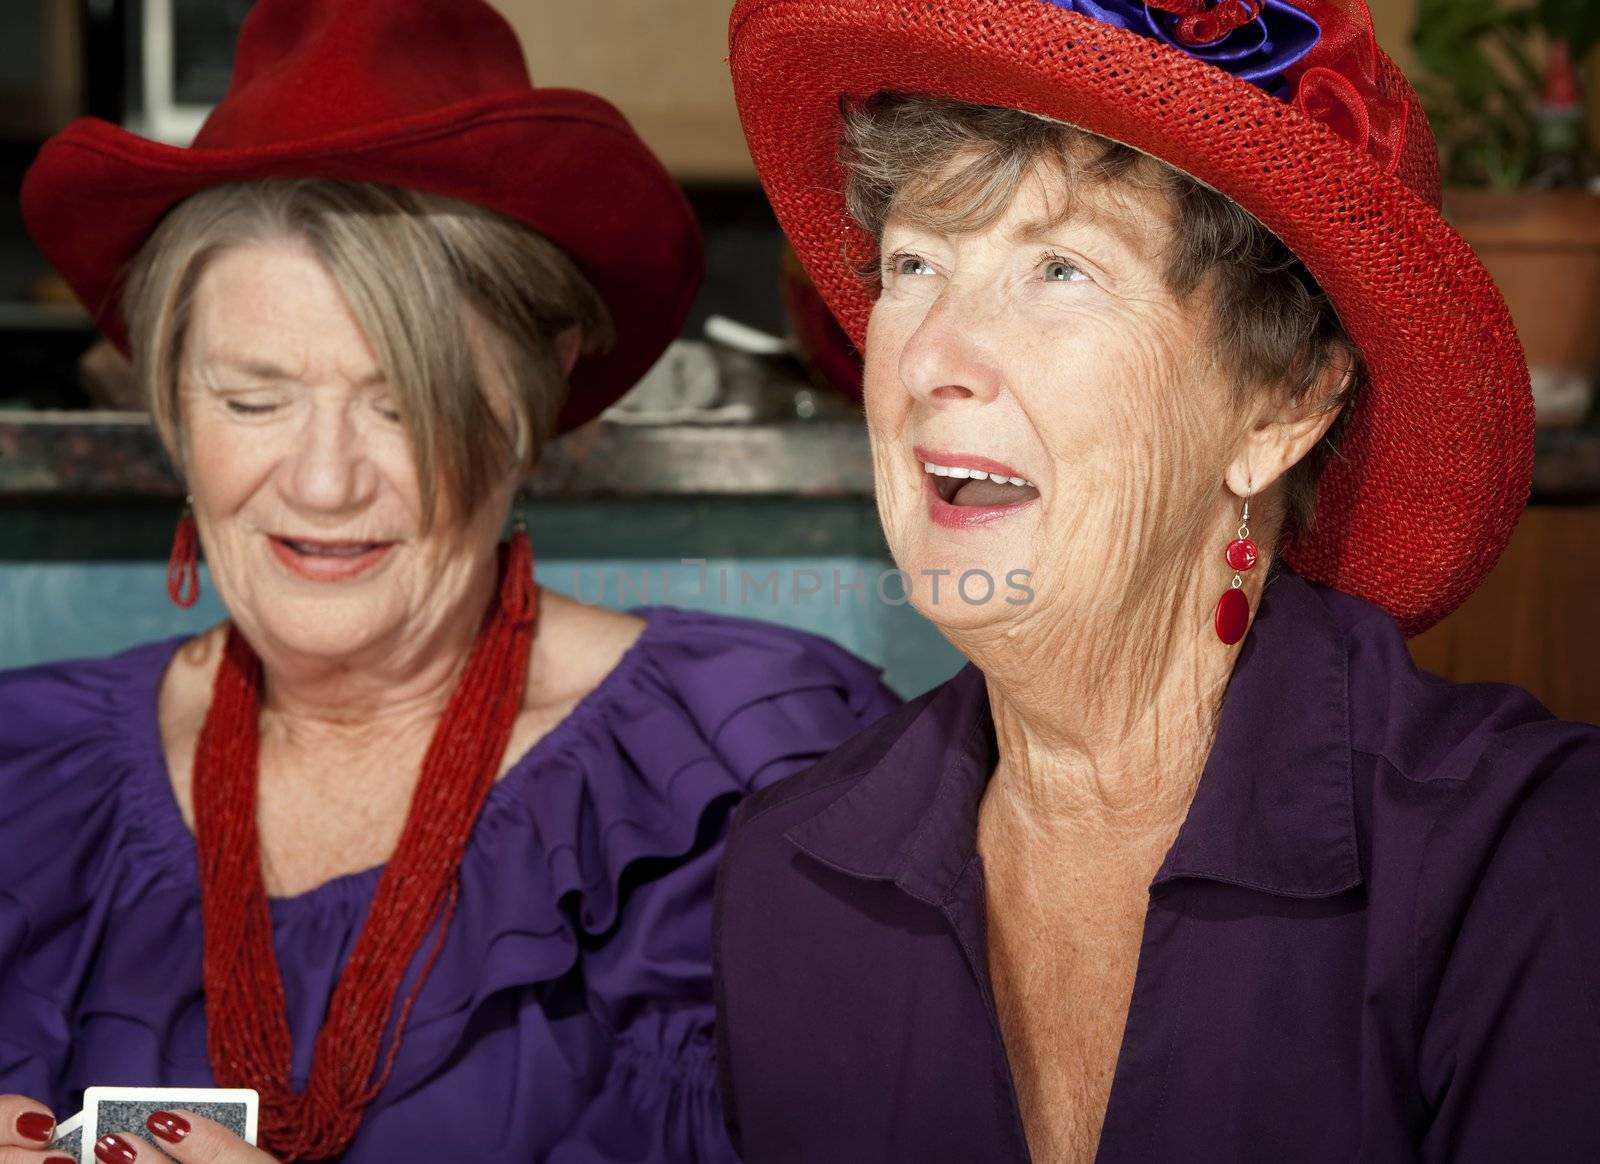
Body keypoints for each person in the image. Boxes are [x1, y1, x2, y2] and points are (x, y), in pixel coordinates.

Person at [0, 1, 898, 1160]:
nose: (322, 483)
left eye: (403, 403)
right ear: (171, 399)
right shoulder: (22, 775)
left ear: (536, 396)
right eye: (253, 399)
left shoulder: (748, 775)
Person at [715, 0, 1600, 1160]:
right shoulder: (792, 877)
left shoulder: (1524, 864)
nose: (930, 359)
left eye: (1060, 270)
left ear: (1284, 401)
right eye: (914, 263)